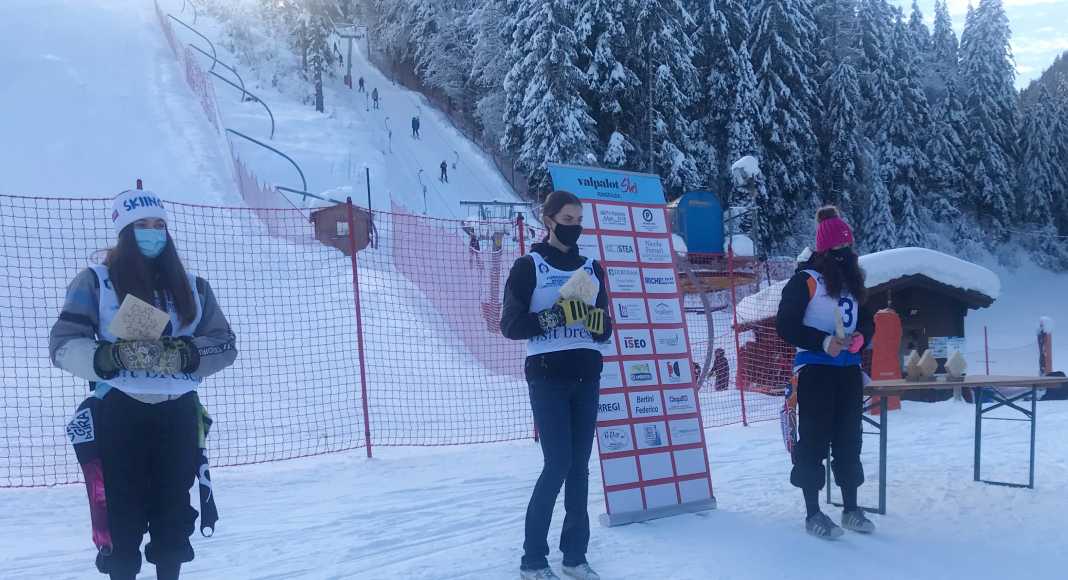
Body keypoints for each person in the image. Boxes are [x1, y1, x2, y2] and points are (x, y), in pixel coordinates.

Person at [50, 188, 238, 579]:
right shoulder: (96, 282)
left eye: (158, 225)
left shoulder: (194, 286)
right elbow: (64, 343)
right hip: (119, 410)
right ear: (124, 232)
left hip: (178, 411)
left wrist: (188, 354)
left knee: (173, 512)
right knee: (120, 513)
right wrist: (108, 357)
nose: (152, 234)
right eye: (141, 226)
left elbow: (224, 343)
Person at [501, 191, 612, 580]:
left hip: (587, 373)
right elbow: (511, 325)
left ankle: (575, 556)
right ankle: (533, 559)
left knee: (580, 467)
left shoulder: (592, 268)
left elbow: (604, 329)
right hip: (547, 375)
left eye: (579, 220)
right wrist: (557, 316)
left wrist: (592, 320)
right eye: (567, 219)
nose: (574, 227)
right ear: (548, 221)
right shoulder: (528, 266)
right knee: (558, 464)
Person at [775, 206, 875, 539]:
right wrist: (822, 341)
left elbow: (867, 321)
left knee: (849, 440)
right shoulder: (806, 281)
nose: (845, 254)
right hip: (816, 372)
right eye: (838, 248)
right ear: (824, 251)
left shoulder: (854, 285)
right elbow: (785, 324)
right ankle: (813, 513)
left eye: (849, 247)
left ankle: (851, 508)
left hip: (848, 373)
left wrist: (862, 338)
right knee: (814, 441)